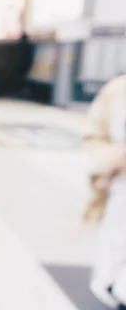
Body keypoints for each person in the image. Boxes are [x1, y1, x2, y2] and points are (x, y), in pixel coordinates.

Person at [83, 73, 126, 309]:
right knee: (113, 261)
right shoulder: (117, 92)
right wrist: (114, 159)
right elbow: (93, 139)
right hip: (122, 188)